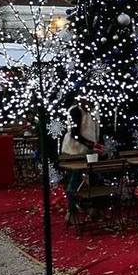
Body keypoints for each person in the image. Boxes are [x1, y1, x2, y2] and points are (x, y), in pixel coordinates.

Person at [60, 94, 103, 223]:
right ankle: (71, 211)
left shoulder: (94, 111)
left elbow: (97, 129)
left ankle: (93, 208)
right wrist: (91, 144)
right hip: (74, 150)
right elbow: (75, 133)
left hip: (90, 151)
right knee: (75, 179)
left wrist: (97, 143)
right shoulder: (75, 111)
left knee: (95, 178)